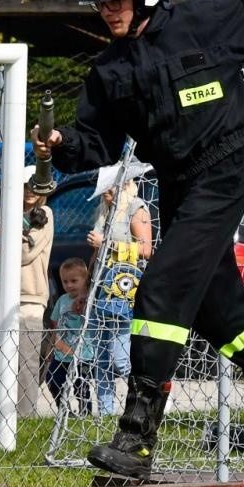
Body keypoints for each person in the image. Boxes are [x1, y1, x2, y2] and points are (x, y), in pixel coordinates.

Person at [32, 0, 244, 480]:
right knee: (221, 316)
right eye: (101, 4)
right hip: (177, 187)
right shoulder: (108, 72)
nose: (107, 13)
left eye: (116, 1)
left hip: (223, 174)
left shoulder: (206, 20)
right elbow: (96, 145)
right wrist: (61, 146)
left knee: (160, 290)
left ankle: (137, 439)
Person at [0, 167, 55, 415]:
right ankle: (6, 411)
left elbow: (24, 253)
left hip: (30, 297)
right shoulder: (11, 212)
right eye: (25, 185)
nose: (30, 191)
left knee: (26, 362)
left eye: (35, 185)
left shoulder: (44, 214)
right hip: (4, 295)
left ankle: (25, 418)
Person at [87, 172, 153, 414]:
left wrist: (107, 243)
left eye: (110, 186)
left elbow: (146, 250)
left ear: (125, 184)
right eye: (102, 186)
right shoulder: (104, 211)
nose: (105, 191)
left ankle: (150, 400)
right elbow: (97, 255)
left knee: (121, 360)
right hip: (100, 291)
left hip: (124, 293)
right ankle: (105, 414)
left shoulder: (136, 208)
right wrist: (86, 288)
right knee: (101, 360)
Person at [46, 257, 97, 414]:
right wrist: (50, 347)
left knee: (81, 387)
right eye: (65, 281)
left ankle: (85, 412)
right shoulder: (62, 300)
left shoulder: (89, 300)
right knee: (53, 380)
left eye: (74, 281)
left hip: (83, 355)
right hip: (61, 355)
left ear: (85, 279)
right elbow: (55, 325)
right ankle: (64, 411)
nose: (69, 285)